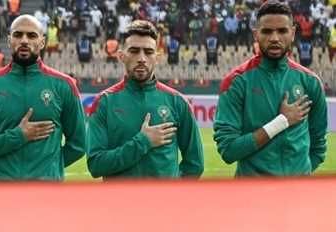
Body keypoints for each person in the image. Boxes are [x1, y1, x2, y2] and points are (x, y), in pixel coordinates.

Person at [0, 14, 86, 181]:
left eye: (32, 35)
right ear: (9, 40)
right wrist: (18, 136)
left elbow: (79, 145)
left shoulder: (64, 85)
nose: (24, 40)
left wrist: (48, 168)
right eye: (18, 35)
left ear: (42, 42)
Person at [214, 0, 328, 176]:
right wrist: (281, 122)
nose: (274, 38)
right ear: (256, 34)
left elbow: (318, 146)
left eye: (282, 31)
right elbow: (229, 150)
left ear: (293, 33)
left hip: (298, 190)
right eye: (267, 31)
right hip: (252, 191)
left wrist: (298, 177)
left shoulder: (311, 82)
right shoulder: (236, 82)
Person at [86, 20, 203, 179]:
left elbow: (195, 164)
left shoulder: (177, 102)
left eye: (148, 52)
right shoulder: (104, 102)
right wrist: (143, 142)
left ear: (157, 57)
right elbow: (95, 165)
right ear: (121, 56)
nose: (141, 58)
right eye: (134, 51)